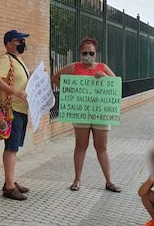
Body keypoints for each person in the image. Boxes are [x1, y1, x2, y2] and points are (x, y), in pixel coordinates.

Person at [52, 37, 121, 192]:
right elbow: (55, 78)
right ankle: (77, 180)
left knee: (101, 147)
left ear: (96, 54)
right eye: (84, 53)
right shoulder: (73, 67)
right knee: (80, 146)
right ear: (80, 53)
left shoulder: (103, 67)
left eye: (91, 53)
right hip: (81, 114)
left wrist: (105, 77)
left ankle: (109, 181)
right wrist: (68, 90)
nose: (88, 56)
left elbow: (115, 84)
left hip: (100, 114)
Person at [0, 30, 31, 201]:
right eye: (19, 40)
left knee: (14, 148)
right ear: (9, 43)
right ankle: (9, 187)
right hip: (12, 110)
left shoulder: (18, 59)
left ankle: (10, 181)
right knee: (11, 148)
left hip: (21, 110)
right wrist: (15, 92)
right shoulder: (5, 59)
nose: (23, 42)